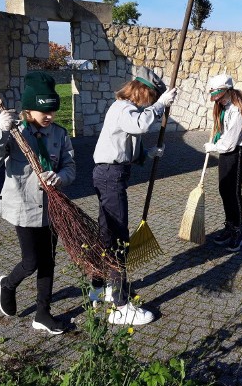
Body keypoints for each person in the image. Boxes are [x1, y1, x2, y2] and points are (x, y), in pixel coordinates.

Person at [0, 71, 76, 335]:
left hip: (52, 207)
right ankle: (8, 285)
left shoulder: (59, 134)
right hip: (24, 207)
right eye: (42, 111)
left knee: (48, 260)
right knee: (31, 260)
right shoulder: (16, 133)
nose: (49, 116)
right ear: (28, 108)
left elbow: (70, 167)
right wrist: (1, 132)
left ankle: (43, 313)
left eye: (52, 111)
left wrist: (60, 177)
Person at [89, 66, 177, 325]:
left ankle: (100, 288)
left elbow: (127, 142)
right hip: (110, 176)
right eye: (150, 98)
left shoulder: (124, 108)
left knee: (107, 234)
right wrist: (160, 106)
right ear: (142, 91)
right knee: (117, 238)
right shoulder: (124, 108)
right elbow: (138, 125)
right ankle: (119, 304)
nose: (149, 103)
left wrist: (148, 154)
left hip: (109, 174)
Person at [204, 74, 242, 252]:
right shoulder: (224, 108)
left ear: (228, 91)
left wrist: (213, 146)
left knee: (233, 192)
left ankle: (237, 231)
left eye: (220, 96)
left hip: (237, 152)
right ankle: (229, 225)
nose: (218, 100)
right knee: (224, 189)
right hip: (226, 151)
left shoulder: (237, 110)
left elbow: (230, 142)